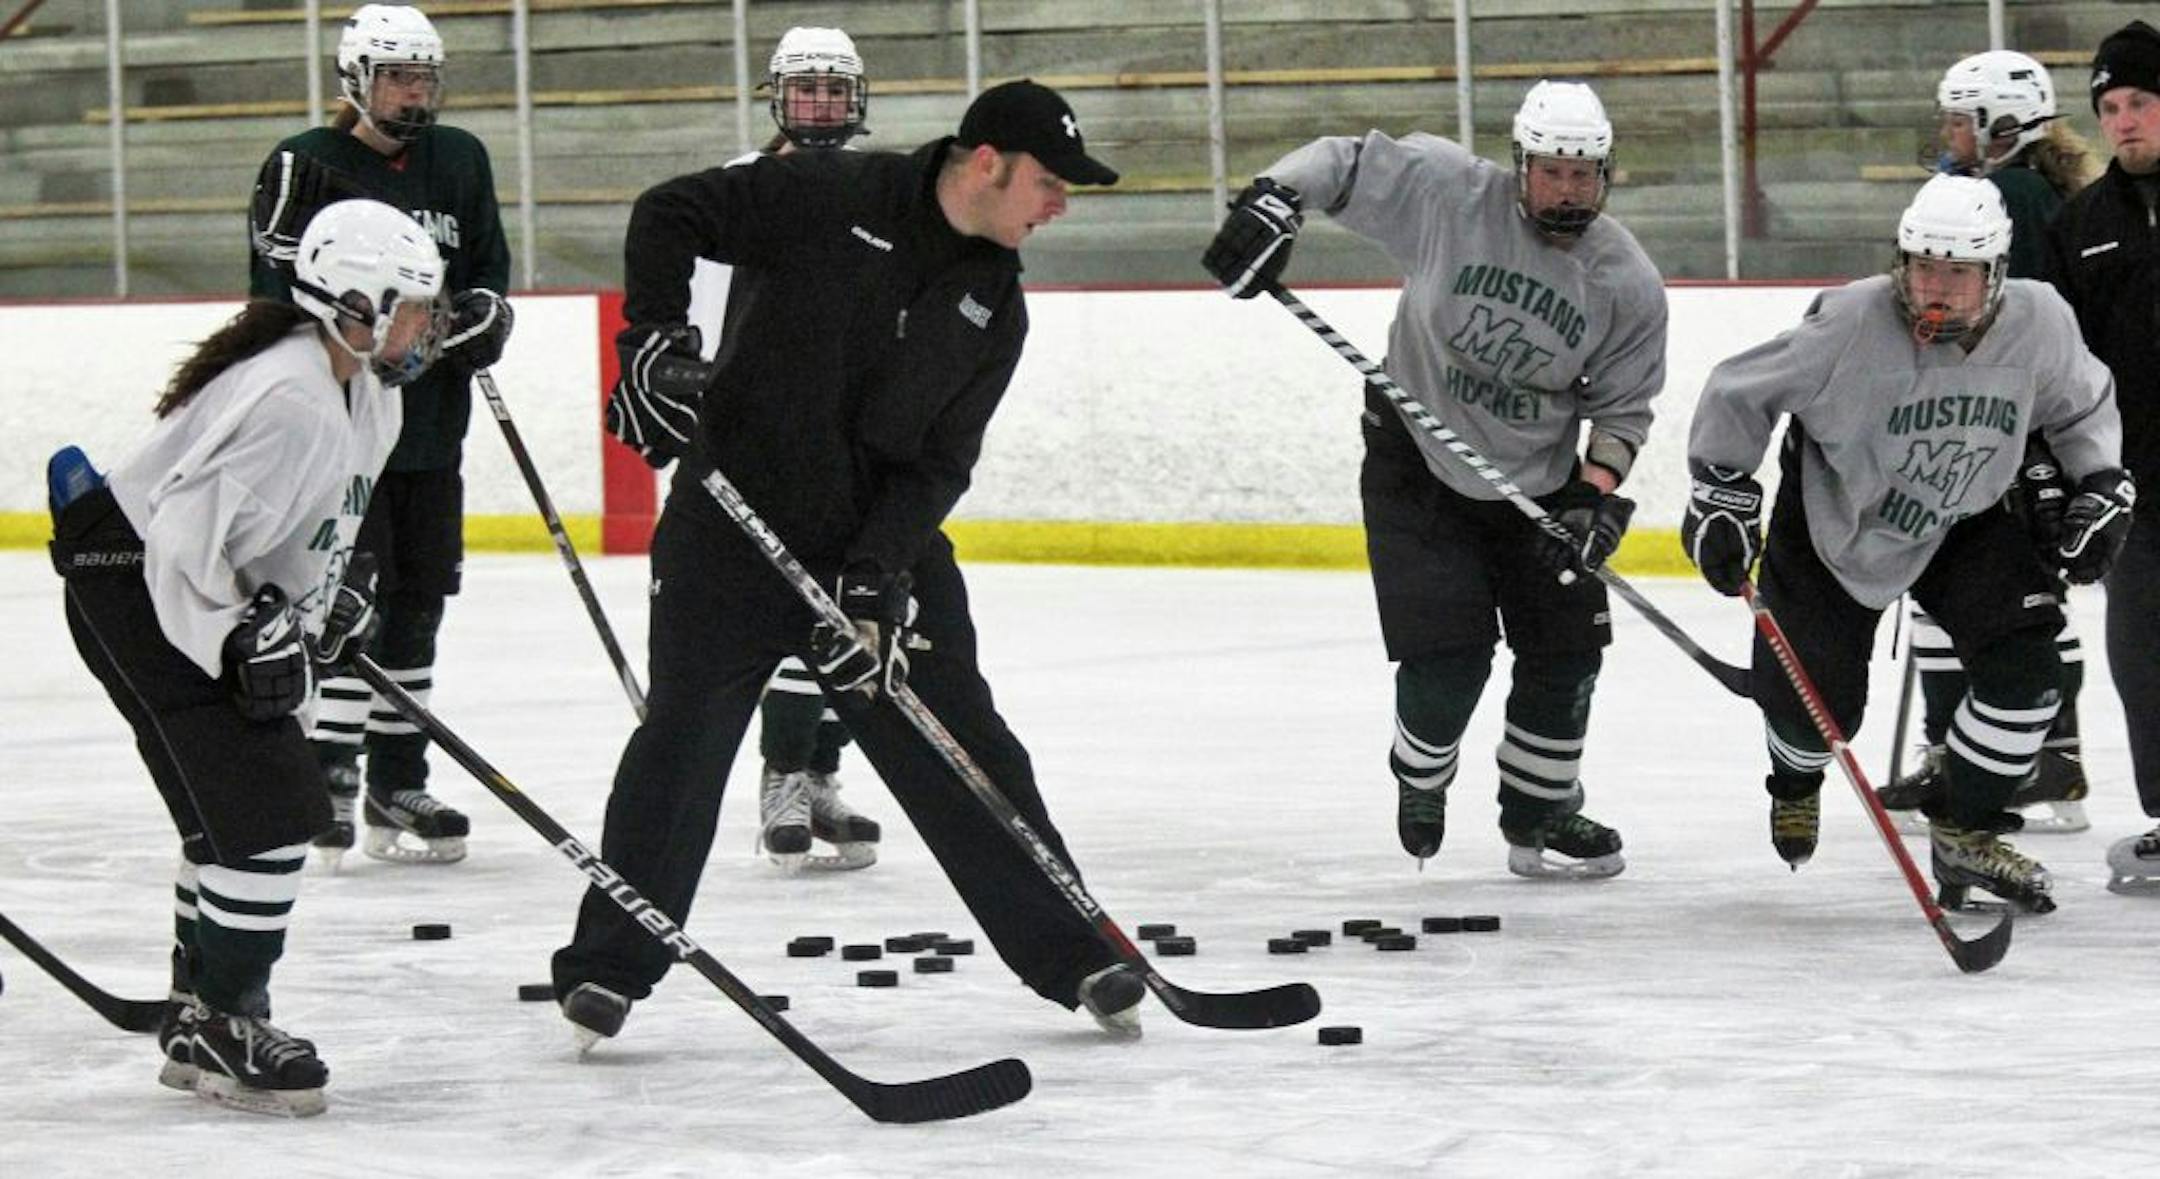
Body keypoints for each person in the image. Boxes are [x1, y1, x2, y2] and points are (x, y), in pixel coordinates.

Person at [553, 79, 1150, 1047]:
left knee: (965, 739)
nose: (1059, 205)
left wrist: (876, 575)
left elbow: (940, 463)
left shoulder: (995, 307)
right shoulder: (833, 195)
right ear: (986, 162)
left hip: (873, 548)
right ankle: (608, 969)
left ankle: (1075, 946)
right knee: (683, 742)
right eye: (1048, 182)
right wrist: (652, 342)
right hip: (732, 528)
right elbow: (669, 213)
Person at [1202, 80, 1667, 879]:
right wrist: (1274, 198)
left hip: (1543, 486)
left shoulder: (1625, 281)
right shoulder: (1450, 192)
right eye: (1552, 171)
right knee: (1450, 659)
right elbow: (1341, 163)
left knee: (1566, 653)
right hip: (1414, 456)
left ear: (1607, 173)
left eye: (1584, 174)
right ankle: (1420, 774)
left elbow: (1624, 411)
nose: (1568, 189)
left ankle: (1541, 811)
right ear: (1520, 164)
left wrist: (1593, 496)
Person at [52, 200, 446, 1115]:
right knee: (269, 812)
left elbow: (317, 523)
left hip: (174, 585)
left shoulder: (365, 389)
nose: (429, 325)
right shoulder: (290, 395)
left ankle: (199, 1013)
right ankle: (227, 1018)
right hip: (139, 585)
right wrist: (238, 640)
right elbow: (184, 540)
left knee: (238, 811)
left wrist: (326, 601)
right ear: (355, 303)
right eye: (415, 305)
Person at [1684, 174, 2130, 912]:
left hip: (1967, 515)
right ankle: (1795, 778)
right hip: (1840, 518)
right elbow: (1739, 390)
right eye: (1924, 266)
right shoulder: (1852, 320)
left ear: (1997, 272)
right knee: (1815, 708)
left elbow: (2081, 403)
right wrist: (1721, 492)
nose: (1936, 288)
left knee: (2027, 674)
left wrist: (2101, 480)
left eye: (1958, 272)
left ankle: (1965, 830)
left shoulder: (2041, 320)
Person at [605, 25, 882, 872]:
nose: (822, 106)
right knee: (785, 617)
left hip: (844, 429)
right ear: (776, 97)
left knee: (842, 609)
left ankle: (816, 770)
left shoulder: (878, 190)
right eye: (807, 91)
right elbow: (692, 303)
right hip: (745, 436)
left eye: (836, 92)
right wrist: (675, 375)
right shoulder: (733, 189)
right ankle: (783, 774)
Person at [248, 3, 514, 867]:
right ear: (356, 78)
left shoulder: (459, 158)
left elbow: (486, 272)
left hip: (431, 426)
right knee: (343, 599)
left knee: (419, 602)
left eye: (425, 76)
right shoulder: (305, 164)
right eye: (398, 76)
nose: (415, 92)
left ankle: (397, 775)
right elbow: (277, 300)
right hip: (343, 429)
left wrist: (484, 317)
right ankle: (323, 767)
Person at [1884, 49, 2104, 834]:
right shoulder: (2048, 188)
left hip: (2005, 429)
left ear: (1999, 125)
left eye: (1957, 118)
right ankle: (2054, 757)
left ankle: (1966, 754)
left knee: (1960, 596)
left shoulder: (1999, 197)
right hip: (2045, 425)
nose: (1947, 133)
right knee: (2030, 600)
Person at [2046, 21, 2160, 893]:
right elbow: (2059, 359)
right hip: (2139, 488)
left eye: (2142, 102)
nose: (2124, 121)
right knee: (2143, 655)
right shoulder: (2080, 224)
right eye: (2110, 107)